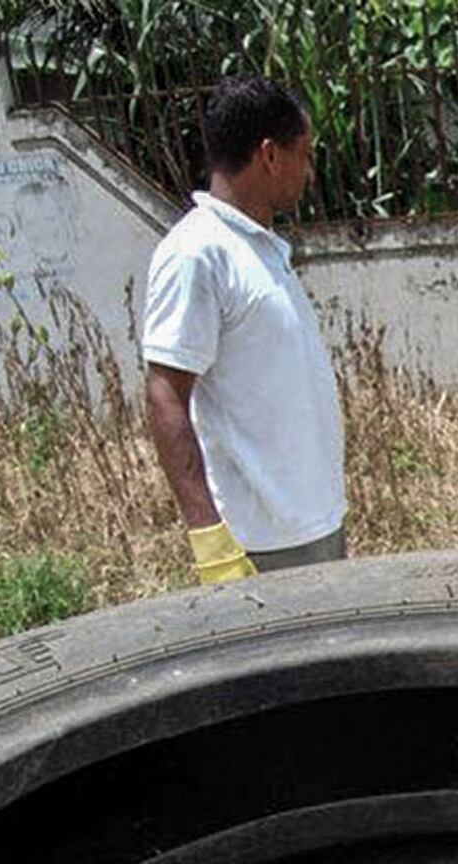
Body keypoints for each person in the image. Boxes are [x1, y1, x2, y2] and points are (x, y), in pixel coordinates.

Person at [142, 75, 346, 585]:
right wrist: (208, 535)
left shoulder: (260, 250)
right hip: (261, 542)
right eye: (304, 153)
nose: (311, 170)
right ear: (270, 155)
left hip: (312, 524)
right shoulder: (197, 254)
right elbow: (165, 391)